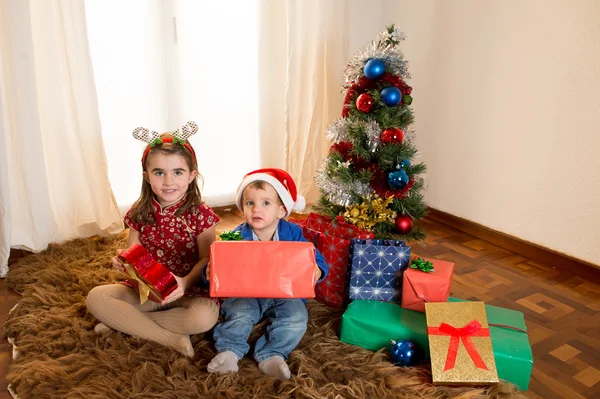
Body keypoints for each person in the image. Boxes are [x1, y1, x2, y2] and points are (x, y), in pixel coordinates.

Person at [86, 122, 220, 358]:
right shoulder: (141, 211)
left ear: (191, 176)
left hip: (187, 291)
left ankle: (124, 324)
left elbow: (207, 259)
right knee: (96, 297)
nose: (168, 181)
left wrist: (184, 283)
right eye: (159, 173)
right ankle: (170, 338)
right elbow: (132, 252)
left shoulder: (200, 213)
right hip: (147, 291)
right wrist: (123, 262)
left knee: (205, 317)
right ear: (147, 177)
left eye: (177, 172)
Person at [206, 168, 328, 381]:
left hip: (285, 293)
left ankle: (271, 354)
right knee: (238, 313)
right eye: (250, 203)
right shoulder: (235, 235)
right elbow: (218, 263)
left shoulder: (293, 233)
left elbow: (311, 255)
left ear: (281, 210)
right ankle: (229, 352)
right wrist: (209, 271)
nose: (256, 209)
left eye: (265, 203)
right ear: (242, 207)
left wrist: (317, 269)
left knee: (296, 318)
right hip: (246, 293)